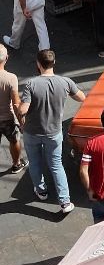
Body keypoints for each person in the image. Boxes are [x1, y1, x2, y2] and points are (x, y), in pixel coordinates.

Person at [19, 49, 85, 213]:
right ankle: (65, 202)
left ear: (38, 64)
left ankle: (41, 191)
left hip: (32, 133)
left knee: (34, 162)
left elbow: (23, 110)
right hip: (54, 132)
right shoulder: (65, 82)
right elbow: (82, 97)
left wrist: (20, 113)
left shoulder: (31, 84)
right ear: (54, 63)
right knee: (56, 165)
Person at [0, 45, 26, 173]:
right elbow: (16, 103)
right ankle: (16, 164)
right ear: (6, 58)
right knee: (14, 140)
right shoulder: (11, 78)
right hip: (8, 119)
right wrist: (22, 121)